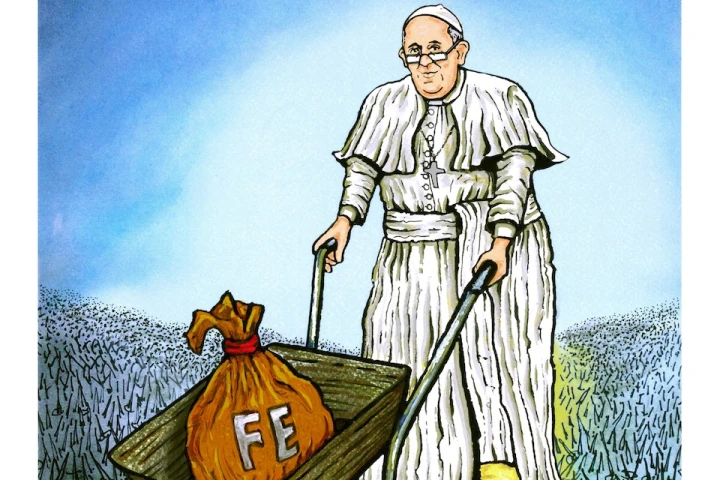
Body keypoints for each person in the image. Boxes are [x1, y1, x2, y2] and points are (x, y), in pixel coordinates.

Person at [313, 5, 567, 480]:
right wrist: (345, 221)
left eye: (436, 50)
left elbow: (515, 172)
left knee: (496, 369)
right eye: (414, 53)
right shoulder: (384, 103)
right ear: (402, 57)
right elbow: (363, 167)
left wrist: (501, 240)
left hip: (484, 250)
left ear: (460, 51)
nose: (426, 63)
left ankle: (502, 465)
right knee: (404, 363)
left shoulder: (498, 96)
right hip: (409, 259)